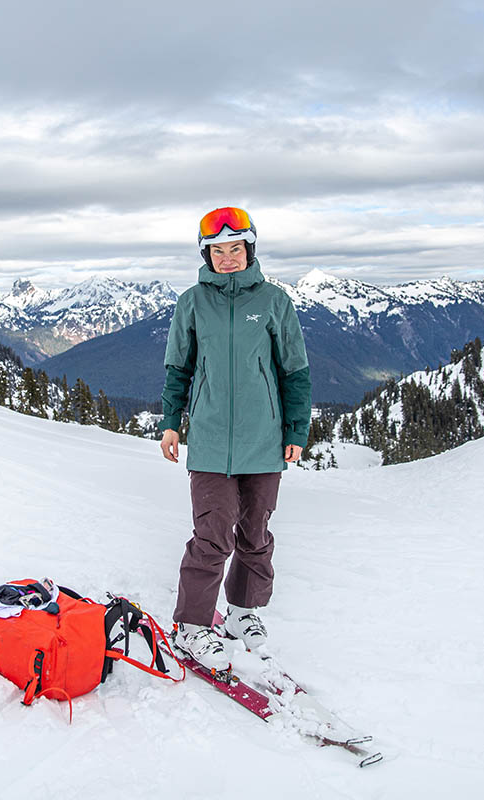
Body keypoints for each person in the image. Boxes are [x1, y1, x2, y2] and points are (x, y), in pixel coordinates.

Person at [159, 206, 311, 672]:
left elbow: (295, 372)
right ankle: (192, 626)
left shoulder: (274, 301)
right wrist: (170, 422)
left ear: (249, 249)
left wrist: (296, 430)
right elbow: (177, 369)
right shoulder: (192, 302)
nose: (227, 258)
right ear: (207, 254)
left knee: (255, 533)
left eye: (235, 248)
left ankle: (243, 613)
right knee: (211, 534)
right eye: (218, 250)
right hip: (207, 440)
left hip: (263, 440)